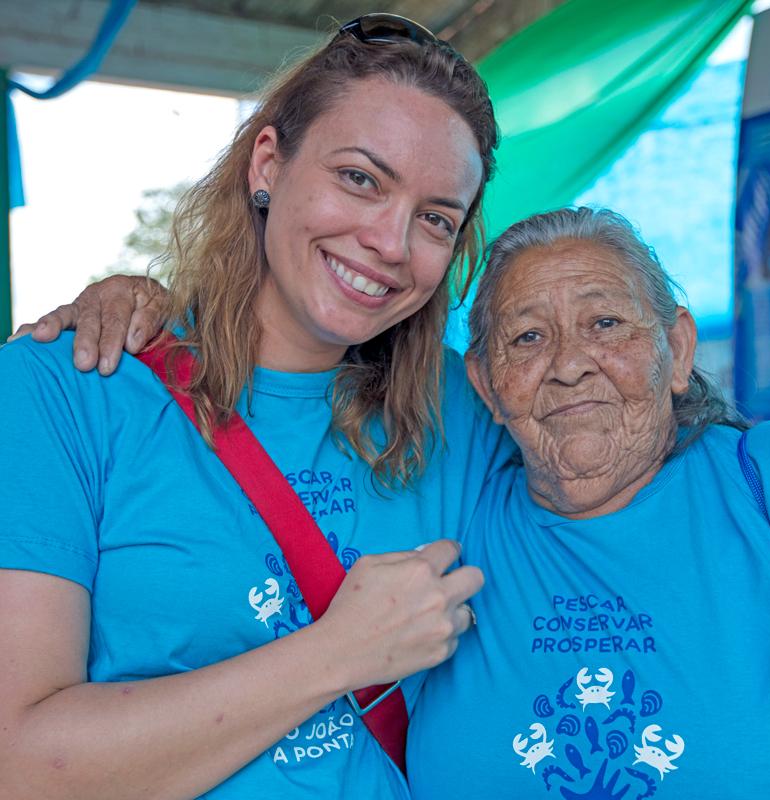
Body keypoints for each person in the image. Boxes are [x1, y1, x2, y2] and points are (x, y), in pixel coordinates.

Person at [0, 15, 514, 800]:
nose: (390, 240)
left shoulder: (468, 408)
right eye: (360, 179)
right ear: (268, 164)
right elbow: (20, 763)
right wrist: (340, 653)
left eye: (436, 218)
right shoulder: (70, 385)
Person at [406, 207, 770, 799]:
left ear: (677, 350)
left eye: (606, 323)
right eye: (528, 337)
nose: (568, 365)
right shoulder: (451, 520)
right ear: (486, 383)